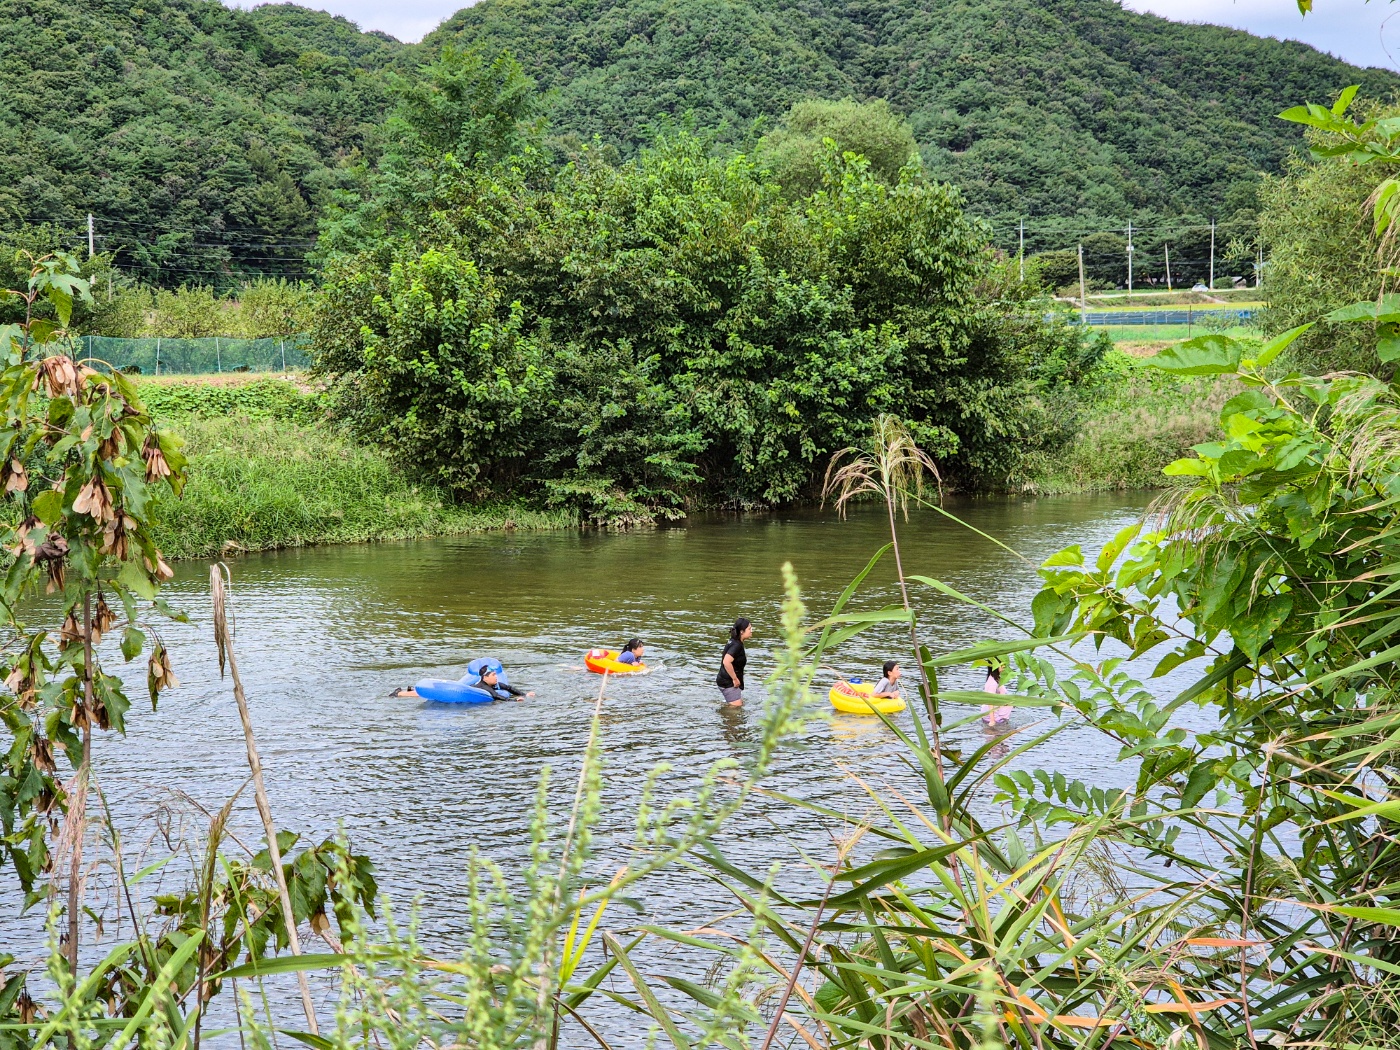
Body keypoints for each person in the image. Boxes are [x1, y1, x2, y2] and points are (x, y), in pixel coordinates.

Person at [716, 617, 752, 707]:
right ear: (741, 632)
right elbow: (726, 662)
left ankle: (724, 706)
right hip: (728, 682)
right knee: (735, 711)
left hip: (723, 679)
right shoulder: (737, 645)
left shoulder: (733, 641)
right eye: (749, 629)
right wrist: (735, 679)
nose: (751, 631)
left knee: (738, 705)